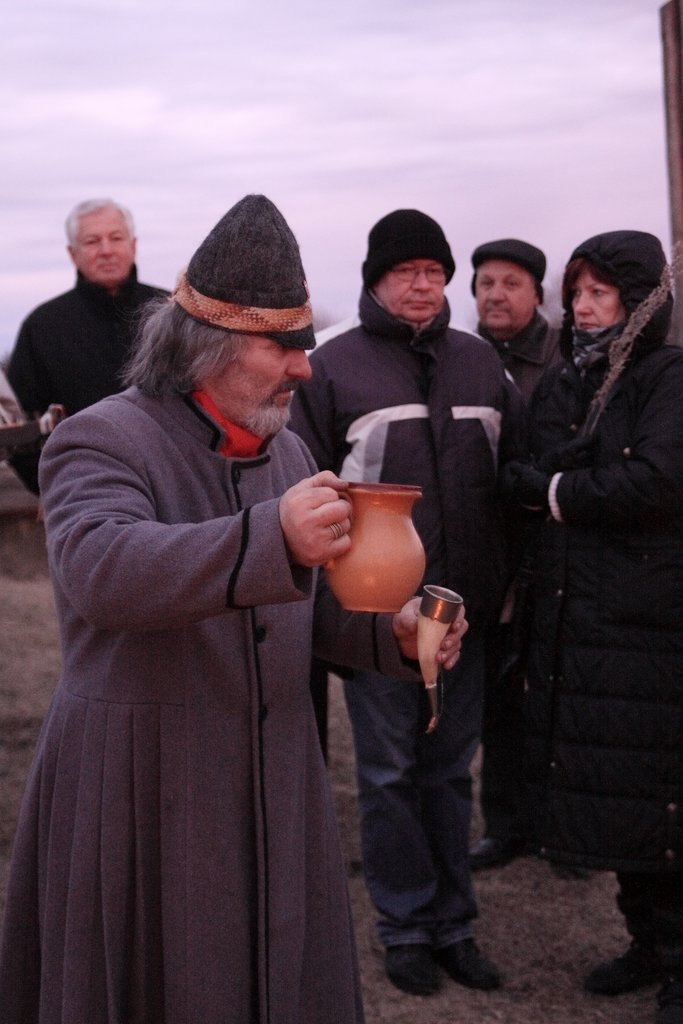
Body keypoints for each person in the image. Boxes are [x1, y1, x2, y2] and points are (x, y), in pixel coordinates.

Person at [0, 195, 467, 1024]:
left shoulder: (288, 450)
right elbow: (101, 571)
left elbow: (302, 603)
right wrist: (269, 536)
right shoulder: (99, 440)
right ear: (207, 346)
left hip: (276, 779)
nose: (303, 369)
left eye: (304, 345)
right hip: (142, 784)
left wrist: (391, 636)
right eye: (280, 347)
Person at [290, 209, 525, 997]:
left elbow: (515, 477)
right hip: (375, 618)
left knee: (450, 772)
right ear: (375, 279)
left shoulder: (480, 363)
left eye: (434, 272)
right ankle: (404, 926)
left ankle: (455, 925)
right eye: (405, 272)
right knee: (389, 774)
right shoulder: (331, 367)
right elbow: (305, 491)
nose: (422, 285)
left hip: (464, 615)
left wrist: (501, 590)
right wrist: (339, 608)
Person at [503, 230, 683, 1024]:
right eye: (575, 292)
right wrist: (545, 484)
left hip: (648, 620)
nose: (580, 306)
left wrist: (552, 493)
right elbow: (541, 463)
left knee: (659, 795)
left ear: (639, 303)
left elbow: (656, 480)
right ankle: (645, 943)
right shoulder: (566, 379)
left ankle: (677, 961)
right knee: (613, 795)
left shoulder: (666, 375)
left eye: (599, 293)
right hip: (575, 613)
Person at [468, 238, 560, 872]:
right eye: (485, 284)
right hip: (490, 552)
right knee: (498, 696)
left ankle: (563, 829)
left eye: (511, 284)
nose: (496, 295)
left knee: (558, 695)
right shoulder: (463, 357)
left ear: (536, 294)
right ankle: (504, 826)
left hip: (555, 549)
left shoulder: (564, 359)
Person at [6, 198, 167, 493]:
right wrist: (59, 489)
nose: (106, 250)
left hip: (177, 487)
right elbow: (17, 430)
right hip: (82, 493)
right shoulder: (42, 327)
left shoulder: (172, 314)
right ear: (72, 253)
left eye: (116, 238)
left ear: (133, 245)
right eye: (92, 241)